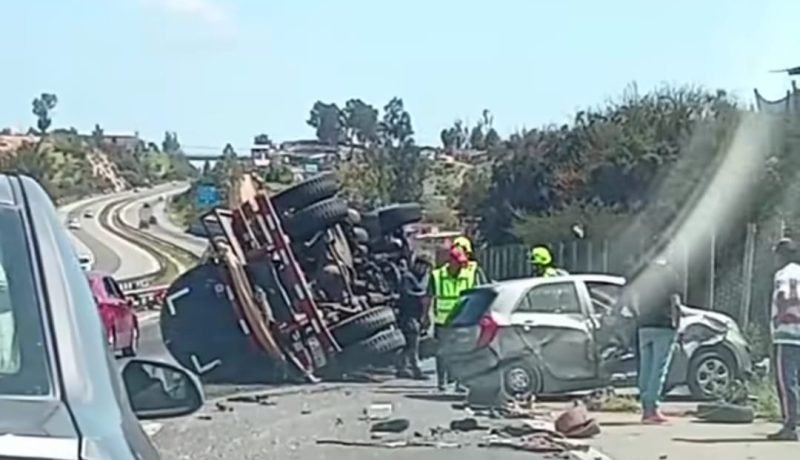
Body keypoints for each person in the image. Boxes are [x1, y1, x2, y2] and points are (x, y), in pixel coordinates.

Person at [634, 258, 682, 424]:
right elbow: (675, 301)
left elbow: (633, 297)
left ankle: (645, 406)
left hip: (644, 325)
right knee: (658, 369)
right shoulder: (669, 274)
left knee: (645, 367)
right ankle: (652, 409)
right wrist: (677, 323)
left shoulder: (643, 272)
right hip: (663, 324)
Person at [431, 246, 480, 391]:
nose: (462, 265)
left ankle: (460, 382)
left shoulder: (469, 275)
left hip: (463, 320)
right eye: (459, 262)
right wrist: (425, 316)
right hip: (443, 320)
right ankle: (442, 381)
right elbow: (428, 297)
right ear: (451, 261)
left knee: (462, 352)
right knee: (442, 352)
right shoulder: (437, 275)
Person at [767, 237, 800, 441]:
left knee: (786, 380)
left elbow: (783, 296)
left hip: (786, 333)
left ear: (781, 255)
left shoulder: (783, 274)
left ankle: (790, 425)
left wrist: (780, 318)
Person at [395, 255, 432, 380]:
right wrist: (422, 295)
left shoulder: (424, 279)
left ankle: (402, 367)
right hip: (408, 314)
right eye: (423, 267)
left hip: (418, 314)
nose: (424, 270)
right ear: (417, 265)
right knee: (413, 342)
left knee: (410, 344)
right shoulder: (408, 277)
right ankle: (416, 369)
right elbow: (407, 293)